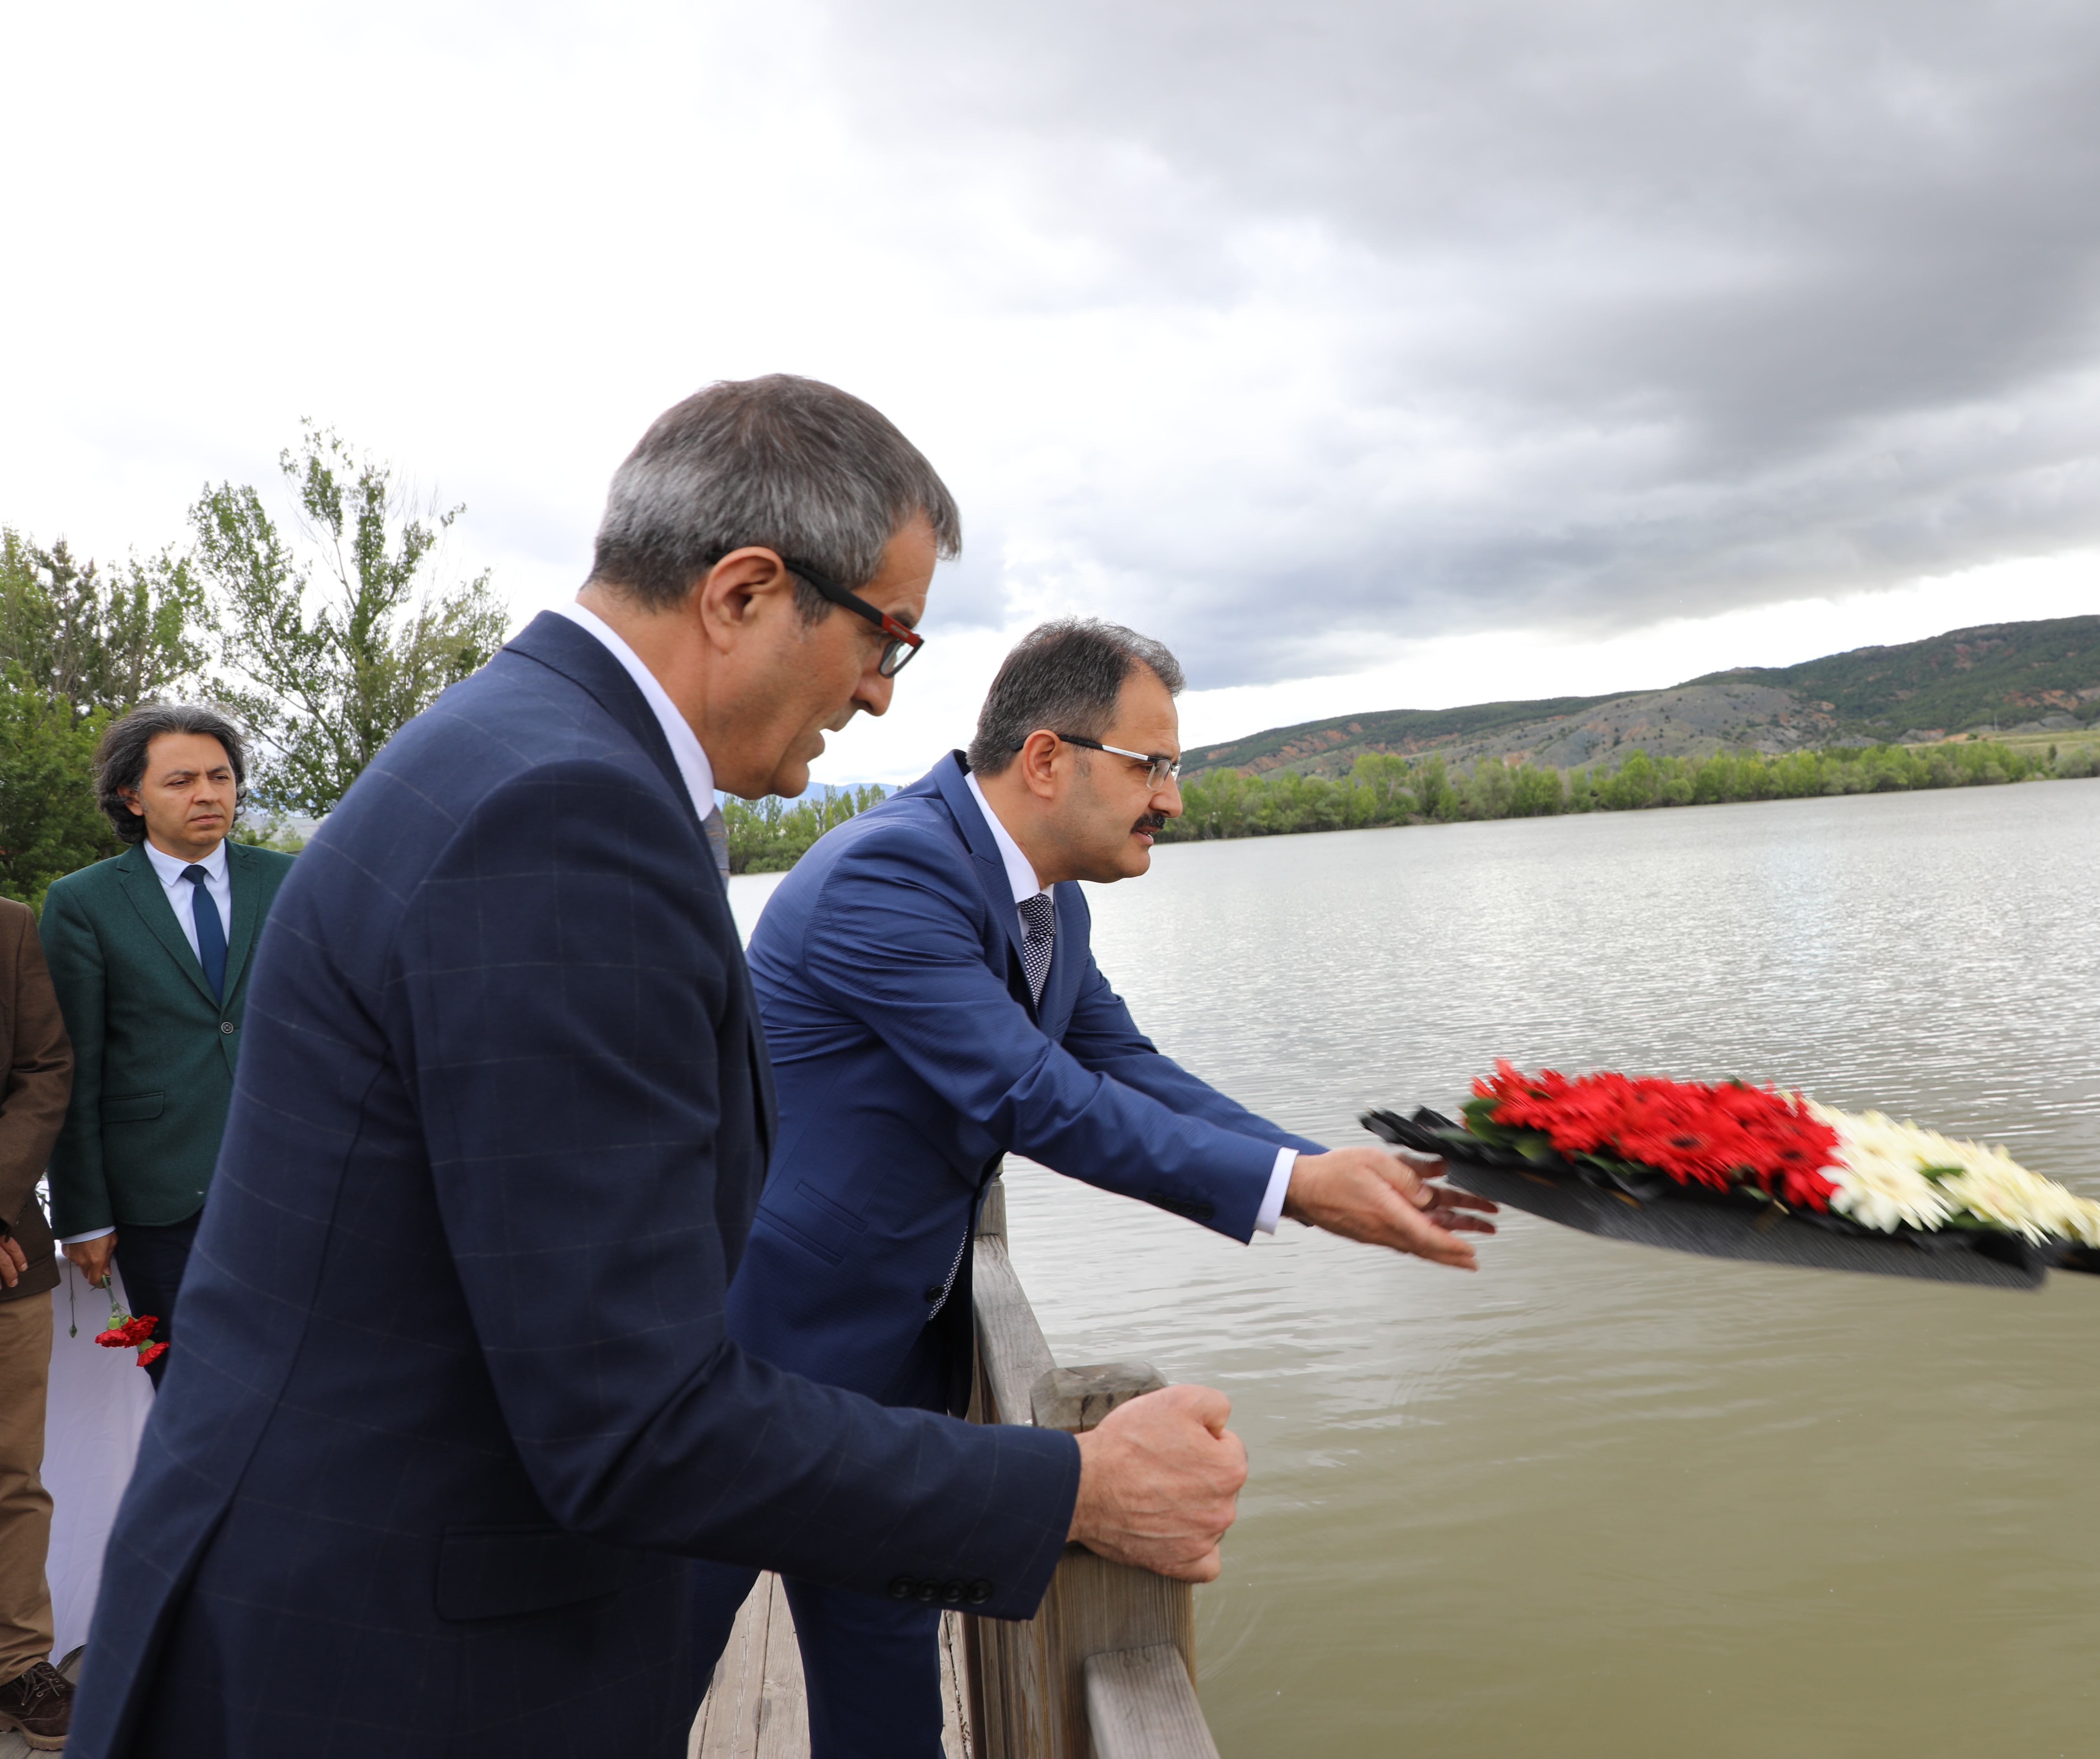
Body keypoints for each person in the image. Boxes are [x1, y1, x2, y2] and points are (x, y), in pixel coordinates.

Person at [68, 377, 1247, 1759]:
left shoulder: (542, 758)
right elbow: (629, 1419)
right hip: (385, 1665)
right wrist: (1072, 1490)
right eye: (889, 636)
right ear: (745, 591)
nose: (881, 692)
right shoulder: (563, 817)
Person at [710, 616, 1499, 1755]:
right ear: (1046, 759)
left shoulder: (1048, 901)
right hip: (753, 1360)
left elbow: (1124, 1067)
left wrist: (1317, 1169)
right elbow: (1036, 1097)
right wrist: (1293, 1190)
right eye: (1154, 766)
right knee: (645, 1662)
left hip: (893, 1371)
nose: (1172, 800)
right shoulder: (890, 873)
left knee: (885, 1689)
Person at [38, 705, 294, 1386]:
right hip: (160, 1201)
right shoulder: (83, 904)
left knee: (308, 1388)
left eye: (221, 776)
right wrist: (83, 1213)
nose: (208, 794)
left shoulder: (293, 881)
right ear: (133, 795)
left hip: (293, 1183)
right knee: (196, 1395)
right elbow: (70, 1068)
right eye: (181, 780)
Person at [0, 894, 75, 1750]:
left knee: (12, 1473)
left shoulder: (11, 926)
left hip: (7, 1258)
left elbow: (44, 1070)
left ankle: (19, 1661)